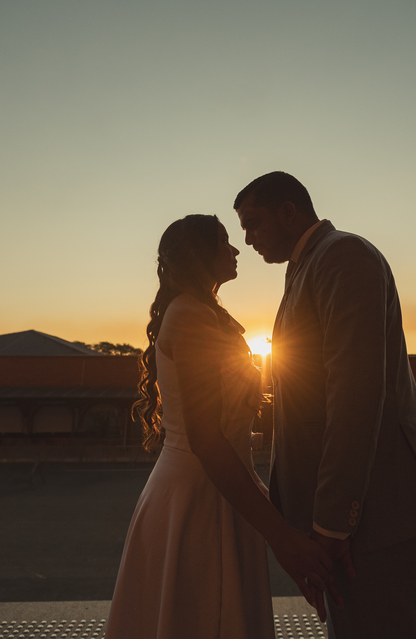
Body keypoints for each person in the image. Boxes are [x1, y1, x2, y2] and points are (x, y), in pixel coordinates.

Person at [234, 172, 416, 639]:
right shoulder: (310, 264)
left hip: (376, 516)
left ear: (289, 211)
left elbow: (355, 391)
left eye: (253, 223)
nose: (247, 239)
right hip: (357, 520)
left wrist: (332, 523)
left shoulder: (343, 256)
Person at [105, 214, 337, 639]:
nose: (235, 250)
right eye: (223, 242)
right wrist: (281, 538)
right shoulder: (192, 317)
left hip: (213, 491)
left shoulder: (201, 314)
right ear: (199, 255)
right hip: (199, 501)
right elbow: (207, 441)